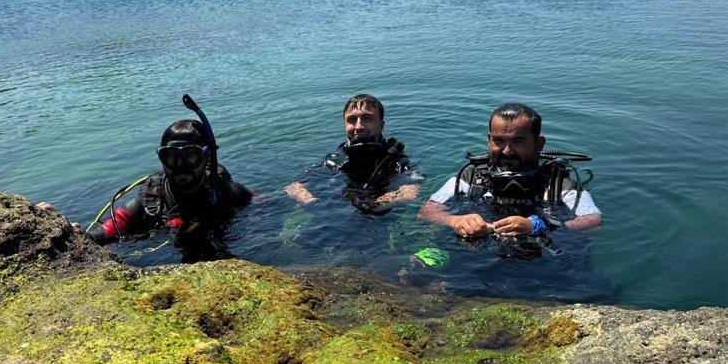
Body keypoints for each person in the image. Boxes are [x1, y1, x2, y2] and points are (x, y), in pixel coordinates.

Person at [418, 102, 601, 238]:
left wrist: (540, 226)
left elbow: (593, 220)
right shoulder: (471, 175)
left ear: (539, 144)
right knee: (416, 266)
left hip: (541, 258)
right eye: (499, 141)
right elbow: (426, 211)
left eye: (518, 142)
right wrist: (455, 221)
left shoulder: (557, 183)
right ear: (489, 140)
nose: (507, 151)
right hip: (476, 254)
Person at [87, 118, 252, 251]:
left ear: (207, 157)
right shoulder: (151, 197)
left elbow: (259, 202)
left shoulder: (226, 191)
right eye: (171, 157)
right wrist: (81, 236)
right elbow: (115, 224)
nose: (181, 166)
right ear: (162, 158)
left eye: (191, 156)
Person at [285, 94, 418, 211]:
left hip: (377, 216)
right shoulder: (335, 159)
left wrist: (378, 203)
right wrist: (312, 202)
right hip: (334, 214)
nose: (359, 126)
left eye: (367, 118)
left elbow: (410, 192)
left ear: (381, 124)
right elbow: (294, 186)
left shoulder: (395, 160)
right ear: (345, 124)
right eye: (352, 120)